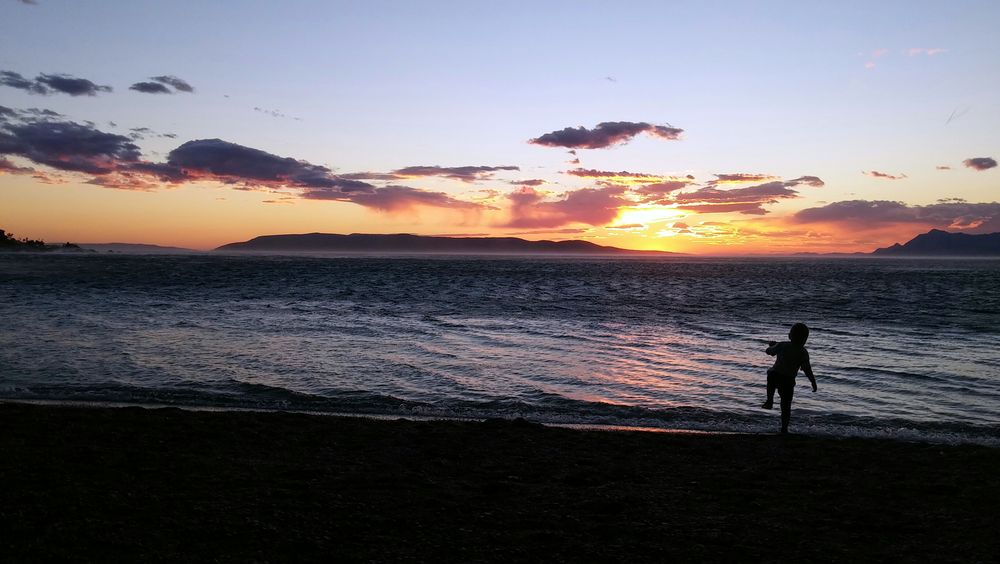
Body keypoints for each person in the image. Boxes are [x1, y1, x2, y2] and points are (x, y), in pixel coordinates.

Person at [762, 322, 817, 434]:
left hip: (776, 375)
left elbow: (769, 352)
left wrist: (771, 346)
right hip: (788, 381)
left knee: (771, 375)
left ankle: (769, 400)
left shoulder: (782, 345)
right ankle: (784, 428)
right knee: (786, 406)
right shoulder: (803, 352)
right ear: (805, 339)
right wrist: (813, 381)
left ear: (789, 336)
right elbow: (807, 369)